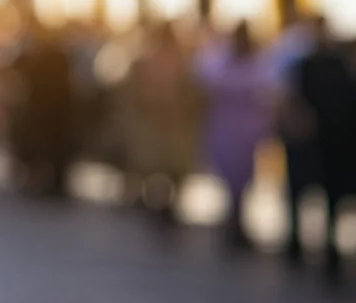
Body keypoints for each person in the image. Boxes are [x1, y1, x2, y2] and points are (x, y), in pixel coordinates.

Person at [291, 15, 356, 284]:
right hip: (324, 144)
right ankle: (319, 248)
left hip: (343, 144)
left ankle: (347, 248)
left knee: (342, 197)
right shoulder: (309, 65)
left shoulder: (340, 66)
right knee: (317, 196)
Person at [197, 21, 276, 252]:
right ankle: (233, 221)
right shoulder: (221, 60)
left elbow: (268, 93)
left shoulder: (257, 63)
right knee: (229, 176)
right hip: (227, 127)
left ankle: (237, 221)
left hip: (246, 129)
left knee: (244, 177)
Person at [118, 21, 203, 221]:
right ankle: (157, 199)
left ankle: (167, 201)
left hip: (172, 124)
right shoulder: (150, 61)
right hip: (156, 123)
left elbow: (191, 93)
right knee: (154, 164)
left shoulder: (179, 62)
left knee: (170, 166)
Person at [8, 20, 76, 197]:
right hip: (49, 111)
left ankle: (51, 181)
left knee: (49, 148)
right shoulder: (52, 56)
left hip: (51, 111)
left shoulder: (54, 57)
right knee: (46, 148)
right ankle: (50, 181)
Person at [269, 11, 315, 266]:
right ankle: (296, 235)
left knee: (297, 183)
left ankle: (296, 236)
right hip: (298, 124)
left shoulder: (292, 46)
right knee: (297, 182)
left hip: (299, 125)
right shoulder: (295, 46)